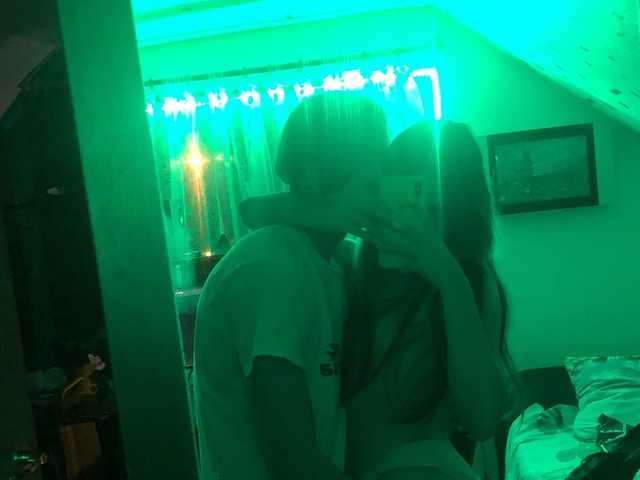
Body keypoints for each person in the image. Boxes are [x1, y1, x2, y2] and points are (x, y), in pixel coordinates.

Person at [239, 120, 522, 480]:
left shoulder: (470, 280)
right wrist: (335, 212)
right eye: (402, 190)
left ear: (458, 205)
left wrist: (447, 277)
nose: (414, 213)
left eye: (433, 205)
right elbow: (251, 210)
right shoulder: (352, 265)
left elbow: (481, 420)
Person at [192, 91, 389, 480]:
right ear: (316, 175)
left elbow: (256, 207)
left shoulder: (338, 261)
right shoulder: (270, 267)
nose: (384, 180)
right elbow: (293, 457)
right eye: (372, 165)